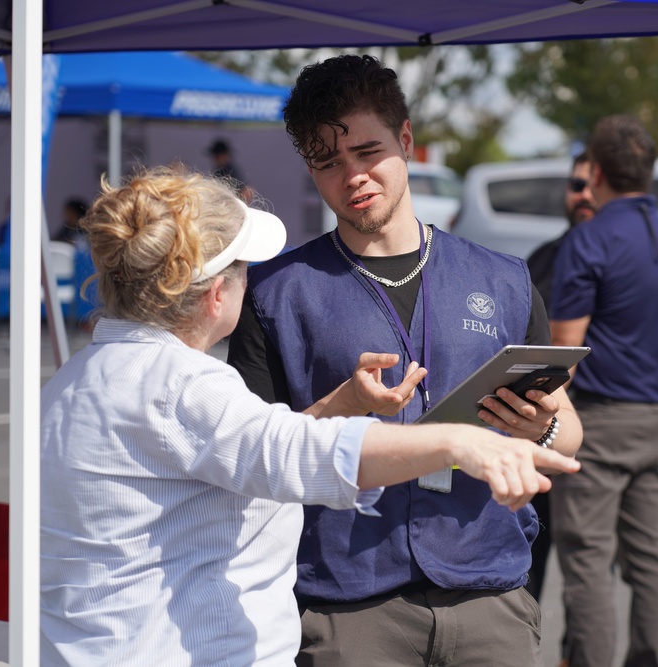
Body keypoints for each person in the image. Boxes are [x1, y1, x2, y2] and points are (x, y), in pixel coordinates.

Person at [40, 165, 580, 667]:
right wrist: (458, 444)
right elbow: (300, 453)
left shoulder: (74, 381)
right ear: (213, 297)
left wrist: (343, 403)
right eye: (242, 268)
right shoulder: (183, 387)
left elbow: (259, 448)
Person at [226, 54, 583, 666]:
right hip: (348, 602)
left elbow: (569, 433)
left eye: (368, 153)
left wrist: (540, 427)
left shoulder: (504, 281)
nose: (354, 176)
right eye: (329, 163)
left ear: (407, 140)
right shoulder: (273, 294)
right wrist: (339, 406)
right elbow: (251, 462)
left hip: (487, 592)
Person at [549, 115, 658, 667]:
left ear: (598, 171)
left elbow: (565, 351)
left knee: (587, 563)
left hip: (601, 422)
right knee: (650, 559)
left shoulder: (590, 239)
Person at [524, 150, 597, 603]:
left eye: (591, 185)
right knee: (532, 549)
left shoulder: (615, 256)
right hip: (534, 427)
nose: (583, 195)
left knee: (588, 565)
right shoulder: (545, 258)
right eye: (575, 186)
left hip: (593, 430)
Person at [209, 138, 254, 203]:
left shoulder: (232, 171)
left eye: (218, 156)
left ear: (225, 156)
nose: (216, 159)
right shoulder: (217, 172)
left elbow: (247, 191)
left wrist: (239, 205)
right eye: (215, 157)